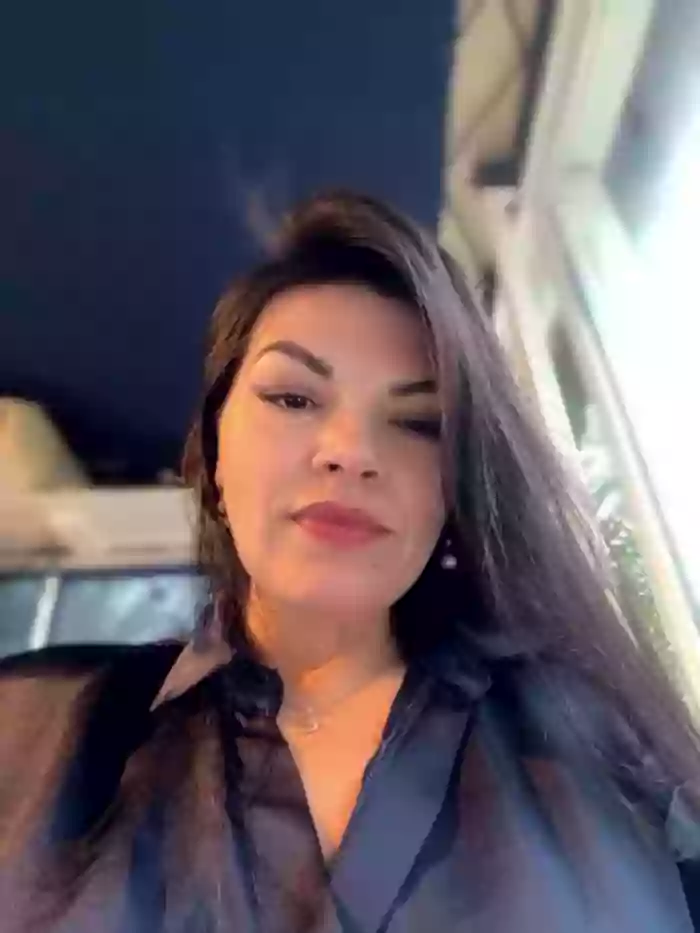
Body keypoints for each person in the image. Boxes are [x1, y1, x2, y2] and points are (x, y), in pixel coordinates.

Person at [1, 192, 698, 932]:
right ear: (214, 455)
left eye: (418, 422)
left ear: (454, 491)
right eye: (293, 397)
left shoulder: (602, 737)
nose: (352, 452)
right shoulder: (29, 726)